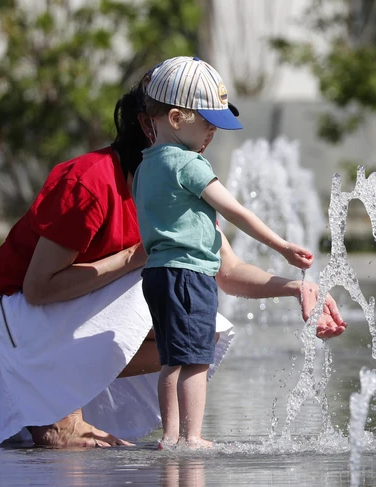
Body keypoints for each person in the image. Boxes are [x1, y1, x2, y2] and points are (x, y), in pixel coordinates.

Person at [0, 67, 346, 449]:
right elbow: (38, 289)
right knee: (155, 277)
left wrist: (296, 288)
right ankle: (57, 413)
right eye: (203, 122)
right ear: (157, 123)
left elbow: (226, 272)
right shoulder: (91, 181)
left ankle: (64, 406)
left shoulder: (181, 185)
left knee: (199, 330)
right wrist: (132, 258)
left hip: (36, 332)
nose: (210, 136)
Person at [134, 57, 313, 448]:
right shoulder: (188, 163)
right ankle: (192, 436)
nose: (213, 131)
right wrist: (281, 246)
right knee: (197, 357)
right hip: (189, 274)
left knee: (170, 359)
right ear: (177, 118)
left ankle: (169, 435)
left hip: (159, 273)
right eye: (207, 121)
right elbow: (235, 210)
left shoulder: (146, 166)